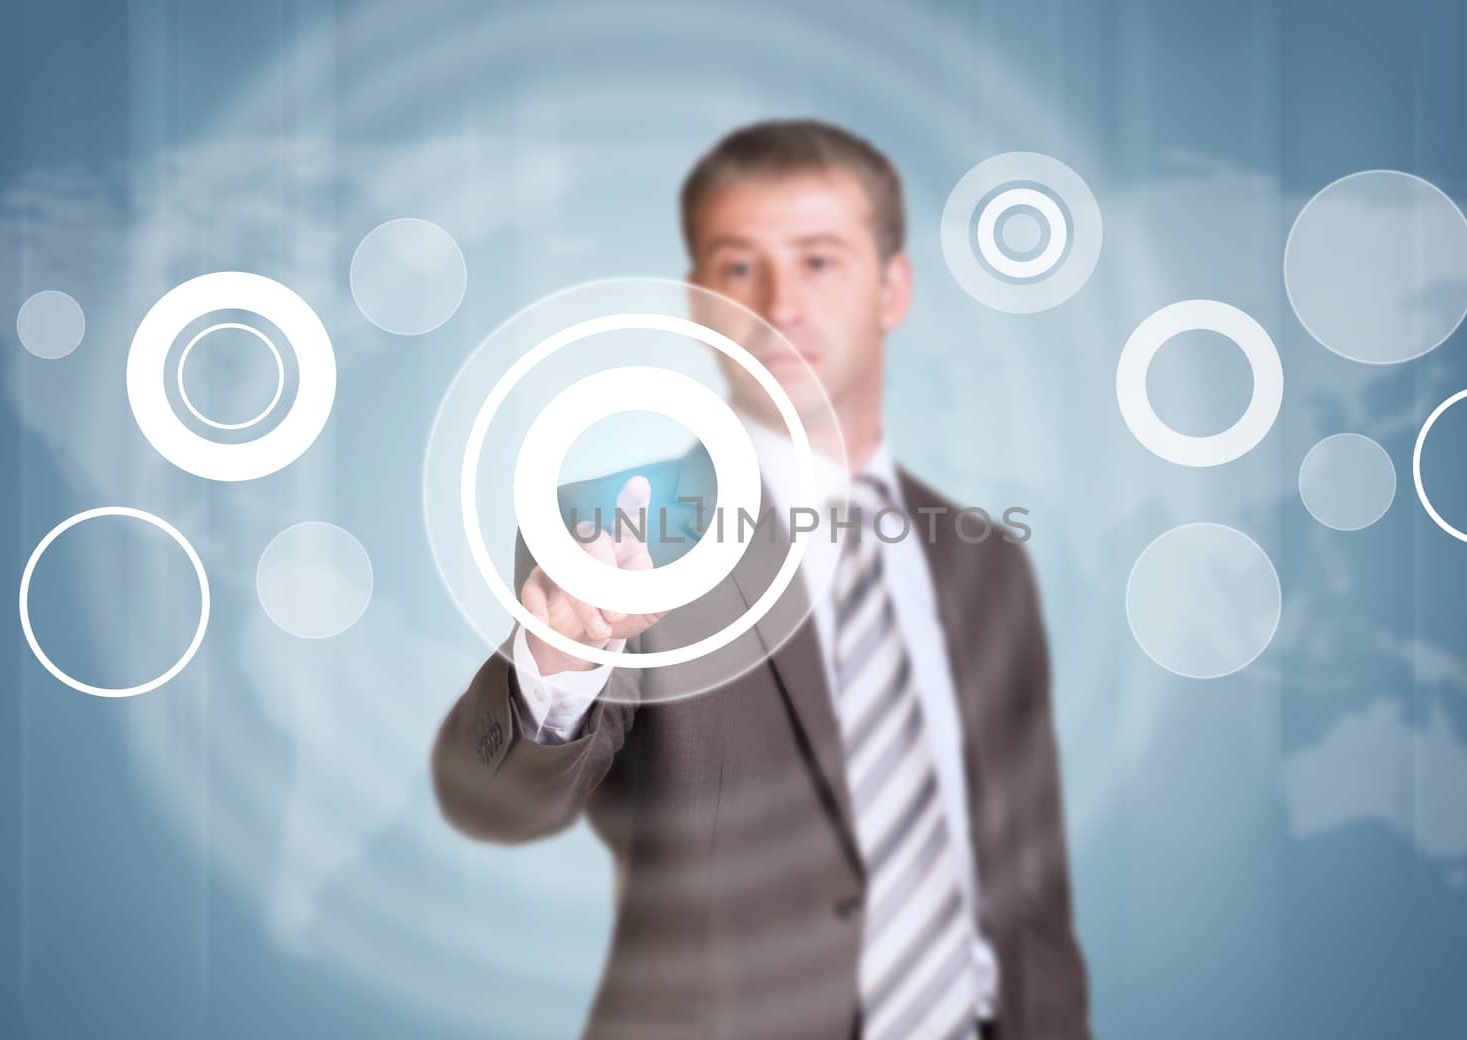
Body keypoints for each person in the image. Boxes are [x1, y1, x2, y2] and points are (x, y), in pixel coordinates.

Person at [432, 119, 1090, 1040]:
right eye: (741, 266)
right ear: (701, 297)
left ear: (891, 288)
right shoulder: (617, 534)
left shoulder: (987, 563)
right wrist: (555, 666)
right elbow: (491, 803)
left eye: (819, 260)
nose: (781, 301)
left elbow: (1027, 889)